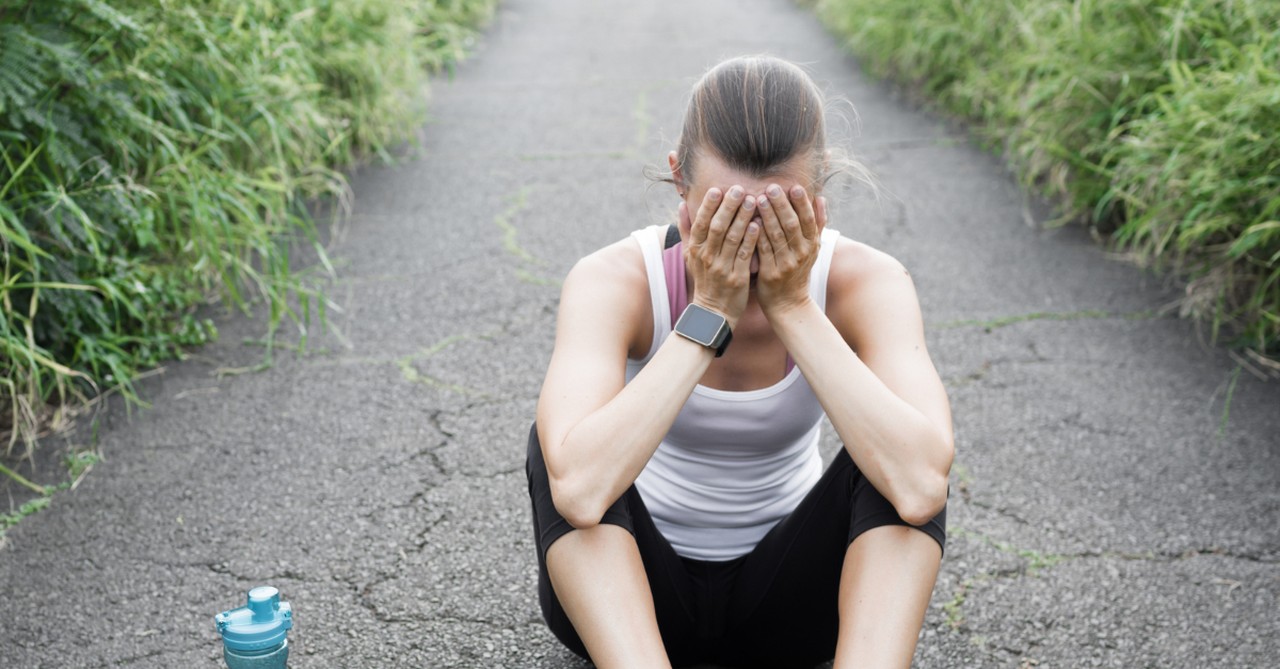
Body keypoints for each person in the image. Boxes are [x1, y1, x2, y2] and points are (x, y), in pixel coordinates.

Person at [526, 55, 953, 669]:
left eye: (779, 216)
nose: (751, 242)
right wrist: (706, 318)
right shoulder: (614, 279)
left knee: (909, 449)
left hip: (796, 604)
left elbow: (919, 489)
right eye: (726, 216)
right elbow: (581, 493)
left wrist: (795, 307)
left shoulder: (868, 281)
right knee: (561, 444)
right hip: (632, 601)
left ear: (822, 184)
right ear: (679, 182)